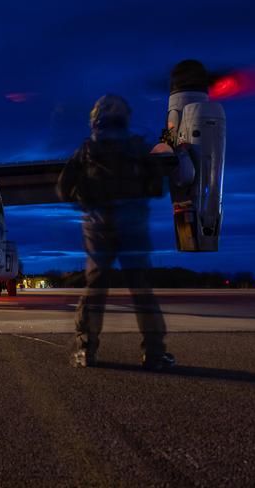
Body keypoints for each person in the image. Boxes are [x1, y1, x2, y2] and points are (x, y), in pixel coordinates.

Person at [57, 94, 176, 371]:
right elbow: (156, 184)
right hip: (133, 226)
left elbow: (64, 188)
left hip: (98, 227)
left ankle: (86, 350)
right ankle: (154, 354)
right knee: (141, 290)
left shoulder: (86, 151)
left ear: (95, 120)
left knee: (95, 288)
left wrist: (88, 205)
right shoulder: (137, 147)